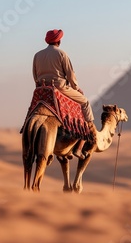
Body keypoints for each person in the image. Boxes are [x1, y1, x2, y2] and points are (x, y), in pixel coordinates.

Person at [32, 29, 96, 159]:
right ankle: (82, 142)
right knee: (85, 102)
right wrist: (76, 88)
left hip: (42, 89)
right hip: (59, 88)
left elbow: (35, 75)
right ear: (59, 41)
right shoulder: (62, 54)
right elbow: (70, 75)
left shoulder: (37, 55)